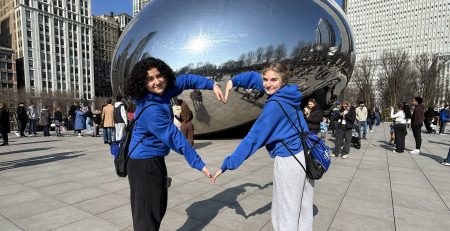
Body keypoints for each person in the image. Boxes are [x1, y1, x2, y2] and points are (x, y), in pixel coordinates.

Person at [123, 57, 224, 230]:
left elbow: (187, 79)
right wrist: (198, 163)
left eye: (159, 75)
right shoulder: (152, 111)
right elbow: (176, 139)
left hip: (152, 159)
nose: (157, 82)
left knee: (156, 208)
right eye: (150, 79)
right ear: (143, 83)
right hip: (144, 164)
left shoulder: (162, 93)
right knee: (147, 216)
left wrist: (212, 84)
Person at [215, 62, 314, 231]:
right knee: (304, 208)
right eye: (265, 79)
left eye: (273, 80)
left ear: (283, 80)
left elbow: (253, 138)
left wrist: (228, 163)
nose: (268, 84)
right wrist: (234, 81)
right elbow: (256, 78)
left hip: (289, 160)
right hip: (306, 153)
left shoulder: (274, 106)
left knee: (286, 212)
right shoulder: (290, 93)